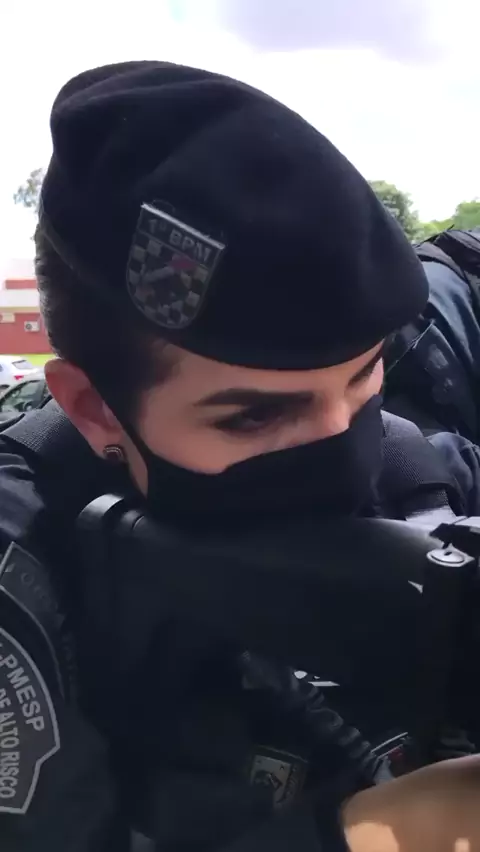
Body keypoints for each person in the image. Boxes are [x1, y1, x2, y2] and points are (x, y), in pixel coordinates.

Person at [2, 61, 480, 852]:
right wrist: (392, 830)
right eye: (257, 414)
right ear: (93, 407)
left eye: (364, 377)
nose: (345, 444)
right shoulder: (23, 568)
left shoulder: (420, 473)